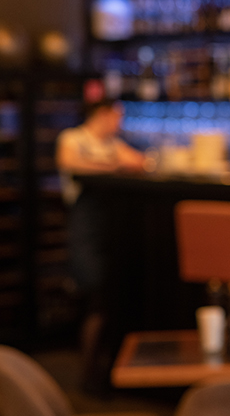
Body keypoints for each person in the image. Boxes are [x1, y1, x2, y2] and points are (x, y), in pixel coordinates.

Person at [56, 98, 144, 391]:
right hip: (85, 227)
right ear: (102, 114)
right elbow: (69, 163)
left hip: (110, 228)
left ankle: (103, 371)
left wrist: (117, 162)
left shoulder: (113, 143)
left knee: (109, 295)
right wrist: (114, 164)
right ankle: (89, 372)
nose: (119, 122)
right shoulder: (74, 138)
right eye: (117, 115)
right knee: (94, 290)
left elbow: (141, 162)